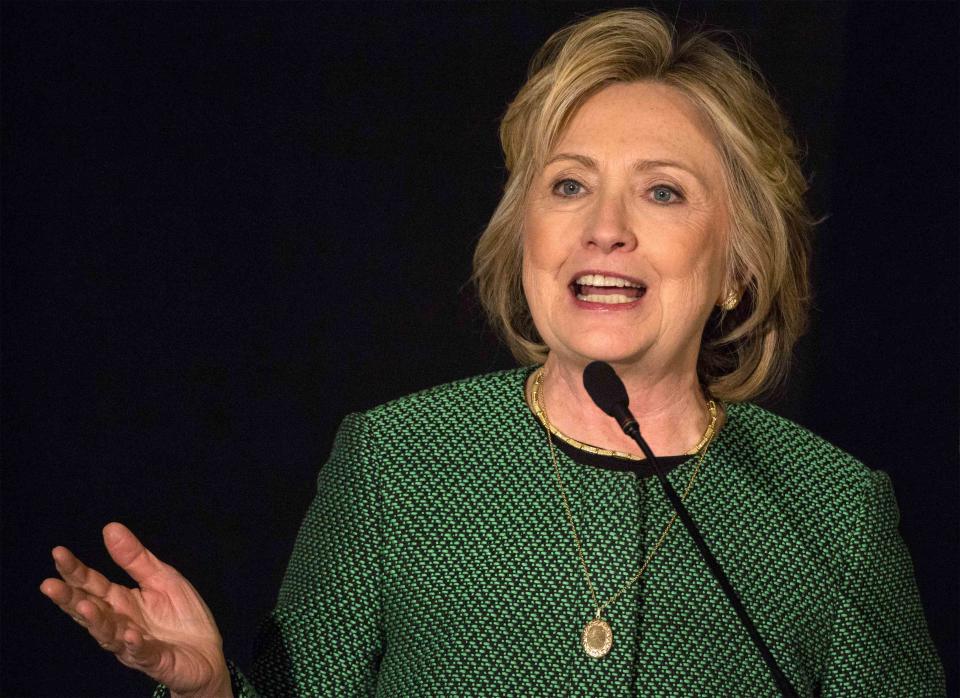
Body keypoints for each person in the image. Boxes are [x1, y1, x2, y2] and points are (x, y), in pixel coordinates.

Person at [39, 9, 945, 697]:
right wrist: (213, 693)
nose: (604, 230)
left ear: (738, 266)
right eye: (569, 186)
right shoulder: (396, 465)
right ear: (525, 239)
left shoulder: (833, 513)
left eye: (662, 192)